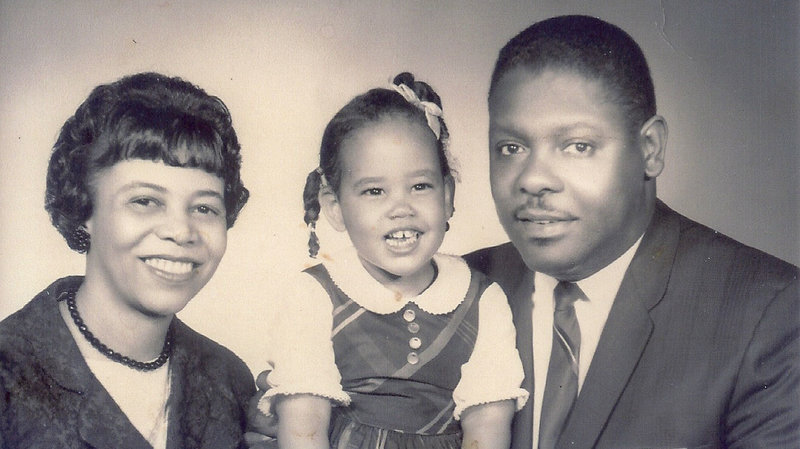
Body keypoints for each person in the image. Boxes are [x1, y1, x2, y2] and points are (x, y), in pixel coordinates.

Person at [464, 14, 800, 449]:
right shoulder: (457, 290)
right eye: (511, 148)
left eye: (577, 146)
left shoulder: (767, 314)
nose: (532, 179)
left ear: (650, 149)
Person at [257, 72, 528, 449]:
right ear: (334, 206)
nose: (401, 208)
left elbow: (488, 428)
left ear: (448, 195)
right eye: (374, 191)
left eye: (420, 186)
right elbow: (304, 427)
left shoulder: (482, 299)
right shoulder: (315, 294)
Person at [0, 72, 255, 449]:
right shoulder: (9, 375)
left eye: (204, 207)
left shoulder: (230, 380)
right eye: (145, 201)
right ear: (85, 206)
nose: (181, 231)